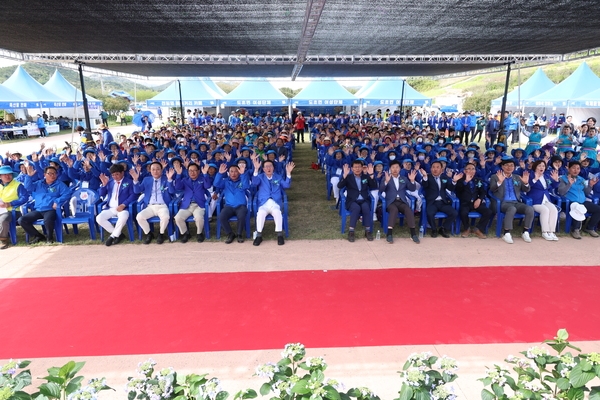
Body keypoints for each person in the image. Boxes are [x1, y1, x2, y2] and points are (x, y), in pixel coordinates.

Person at [19, 165, 70, 244]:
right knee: (21, 220)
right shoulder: (39, 184)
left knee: (48, 220)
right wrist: (29, 176)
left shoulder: (60, 184)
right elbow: (28, 187)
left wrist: (57, 201)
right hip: (39, 210)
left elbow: (67, 193)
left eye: (54, 173)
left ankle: (49, 238)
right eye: (50, 173)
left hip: (50, 209)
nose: (53, 175)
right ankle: (38, 236)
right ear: (44, 175)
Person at [251, 156, 295, 246]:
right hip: (263, 203)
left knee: (277, 213)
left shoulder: (278, 177)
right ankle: (259, 236)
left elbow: (286, 185)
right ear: (263, 169)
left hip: (275, 203)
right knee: (261, 214)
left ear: (273, 167)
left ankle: (279, 235)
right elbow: (254, 183)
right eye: (266, 166)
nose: (268, 168)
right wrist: (255, 169)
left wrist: (288, 173)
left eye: (270, 166)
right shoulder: (260, 177)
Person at [489, 157, 533, 244]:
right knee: (511, 209)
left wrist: (526, 183)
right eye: (507, 165)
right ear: (502, 167)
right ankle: (506, 233)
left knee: (530, 209)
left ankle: (525, 231)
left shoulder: (517, 177)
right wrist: (499, 182)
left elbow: (526, 190)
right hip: (502, 202)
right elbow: (492, 189)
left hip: (516, 202)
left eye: (512, 165)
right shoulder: (495, 176)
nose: (509, 167)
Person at [131, 161, 173, 244]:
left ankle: (161, 234)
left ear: (161, 170)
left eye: (158, 169)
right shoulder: (147, 180)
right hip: (150, 206)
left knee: (165, 217)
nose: (155, 171)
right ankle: (149, 234)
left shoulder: (166, 178)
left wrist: (170, 180)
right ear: (150, 170)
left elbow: (171, 191)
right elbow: (137, 191)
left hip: (163, 206)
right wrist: (135, 180)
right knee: (139, 217)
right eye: (153, 169)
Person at [379, 160, 420, 244]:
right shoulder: (386, 178)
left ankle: (413, 234)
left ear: (400, 169)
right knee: (394, 210)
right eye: (393, 167)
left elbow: (412, 189)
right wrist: (386, 182)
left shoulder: (404, 179)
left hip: (401, 201)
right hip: (391, 202)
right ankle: (389, 234)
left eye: (397, 167)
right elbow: (381, 190)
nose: (395, 169)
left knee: (408, 210)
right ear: (390, 169)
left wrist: (412, 181)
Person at [96, 164, 137, 246]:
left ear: (122, 173)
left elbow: (134, 195)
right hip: (110, 208)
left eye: (117, 174)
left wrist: (124, 204)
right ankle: (119, 234)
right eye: (113, 175)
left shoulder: (129, 182)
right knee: (99, 218)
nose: (115, 176)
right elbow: (101, 193)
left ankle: (112, 236)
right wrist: (104, 185)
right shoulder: (110, 182)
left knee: (124, 215)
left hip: (123, 208)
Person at [337, 159, 378, 242]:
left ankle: (367, 231)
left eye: (359, 167)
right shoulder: (348, 177)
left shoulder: (365, 177)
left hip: (364, 200)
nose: (357, 169)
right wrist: (344, 176)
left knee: (366, 208)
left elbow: (374, 186)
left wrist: (371, 175)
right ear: (352, 169)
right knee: (356, 208)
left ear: (362, 168)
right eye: (355, 167)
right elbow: (339, 186)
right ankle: (351, 231)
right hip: (352, 200)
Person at [557, 160, 600, 239]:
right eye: (573, 168)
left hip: (582, 202)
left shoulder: (581, 179)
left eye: (578, 168)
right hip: (569, 202)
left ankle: (589, 228)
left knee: (598, 209)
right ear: (568, 168)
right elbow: (561, 192)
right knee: (577, 207)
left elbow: (586, 193)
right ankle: (575, 230)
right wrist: (569, 184)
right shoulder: (562, 178)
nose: (576, 170)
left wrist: (590, 185)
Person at [169, 162, 210, 243]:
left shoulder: (202, 179)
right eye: (190, 171)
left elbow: (208, 186)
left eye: (195, 170)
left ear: (199, 171)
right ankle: (185, 233)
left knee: (198, 217)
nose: (192, 172)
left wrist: (205, 174)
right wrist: (178, 174)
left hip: (199, 205)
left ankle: (199, 233)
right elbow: (177, 187)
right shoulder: (185, 180)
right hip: (187, 205)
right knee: (177, 218)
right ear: (188, 172)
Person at [421, 160, 460, 238]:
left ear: (441, 170)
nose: (435, 169)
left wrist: (454, 181)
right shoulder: (427, 177)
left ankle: (443, 228)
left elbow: (450, 188)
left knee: (454, 213)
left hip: (442, 202)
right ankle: (434, 229)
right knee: (430, 213)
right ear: (431, 169)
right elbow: (424, 185)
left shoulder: (444, 177)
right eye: (433, 167)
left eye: (438, 167)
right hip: (432, 202)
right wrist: (425, 176)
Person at [213, 162, 250, 244]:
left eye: (236, 171)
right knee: (221, 216)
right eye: (231, 171)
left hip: (240, 206)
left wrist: (243, 174)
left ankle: (239, 234)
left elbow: (246, 186)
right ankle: (230, 234)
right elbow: (216, 184)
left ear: (239, 172)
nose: (233, 173)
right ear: (228, 173)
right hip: (229, 206)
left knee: (242, 215)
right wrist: (219, 174)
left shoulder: (242, 180)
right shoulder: (225, 181)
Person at [454, 162, 492, 239]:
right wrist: (466, 182)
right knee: (463, 212)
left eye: (473, 169)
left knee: (488, 212)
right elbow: (458, 190)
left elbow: (482, 192)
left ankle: (478, 228)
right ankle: (466, 228)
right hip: (465, 202)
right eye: (469, 169)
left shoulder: (478, 180)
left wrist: (479, 199)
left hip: (476, 202)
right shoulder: (460, 180)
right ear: (465, 171)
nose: (471, 170)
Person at [528, 160, 559, 241]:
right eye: (539, 166)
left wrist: (556, 180)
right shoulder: (530, 175)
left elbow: (553, 186)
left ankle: (551, 231)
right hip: (535, 200)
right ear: (535, 167)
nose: (541, 167)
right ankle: (545, 232)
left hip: (545, 199)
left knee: (554, 209)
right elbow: (527, 187)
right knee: (545, 210)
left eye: (543, 166)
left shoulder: (546, 176)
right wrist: (535, 179)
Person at [0, 165, 29, 249]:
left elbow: (24, 198)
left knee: (3, 219)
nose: (7, 176)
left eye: (9, 174)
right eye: (4, 174)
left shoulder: (18, 185)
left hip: (12, 211)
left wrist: (10, 204)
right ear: (0, 176)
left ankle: (3, 240)